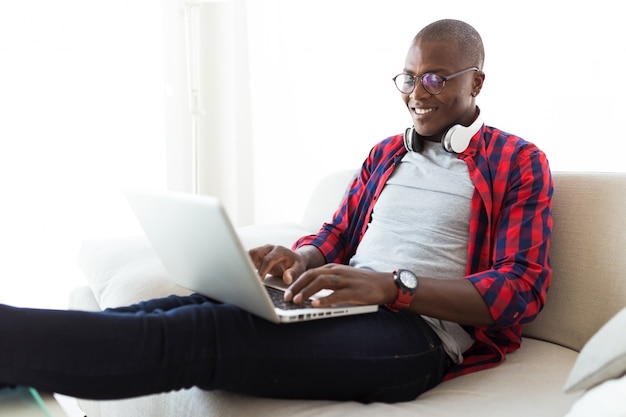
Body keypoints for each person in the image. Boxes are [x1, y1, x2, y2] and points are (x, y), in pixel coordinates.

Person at [0, 19, 552, 404]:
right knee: (170, 308)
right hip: (339, 305)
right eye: (408, 78)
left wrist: (390, 288)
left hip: (416, 337)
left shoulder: (518, 160)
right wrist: (301, 256)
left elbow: (520, 291)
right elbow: (337, 234)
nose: (416, 92)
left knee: (204, 334)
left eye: (435, 78)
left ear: (476, 80)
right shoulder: (387, 153)